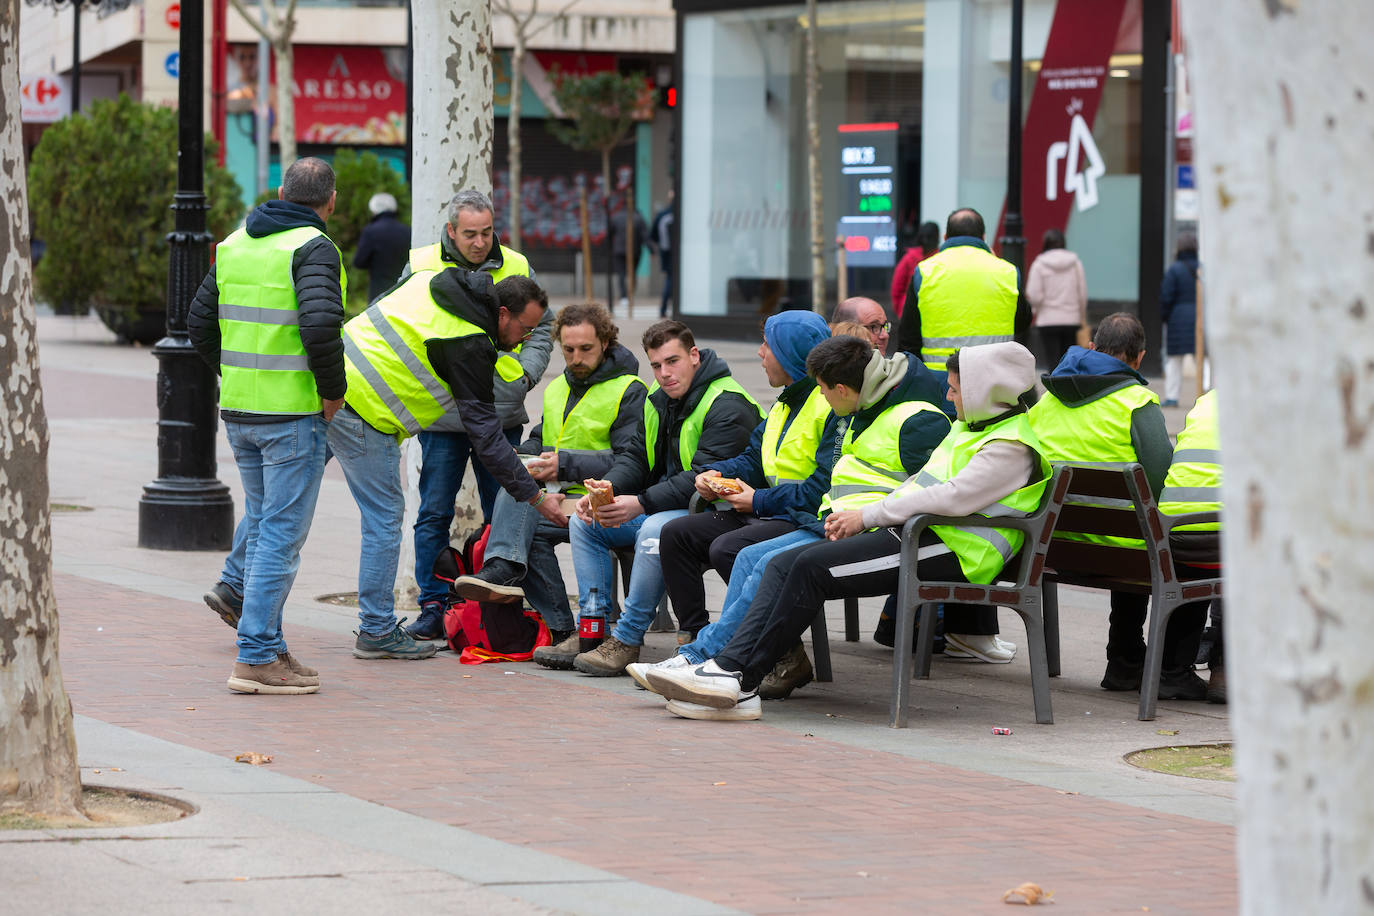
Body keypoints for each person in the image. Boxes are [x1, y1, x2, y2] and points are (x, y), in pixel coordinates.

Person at [645, 342, 1050, 721]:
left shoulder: (1010, 446)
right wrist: (867, 514)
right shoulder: (973, 429)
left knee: (809, 569)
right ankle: (726, 668)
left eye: (956, 388)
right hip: (921, 537)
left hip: (954, 552)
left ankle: (738, 680)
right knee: (788, 563)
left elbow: (951, 499)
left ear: (984, 390)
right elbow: (922, 486)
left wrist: (867, 515)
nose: (948, 396)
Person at [630, 334, 952, 698]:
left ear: (842, 389)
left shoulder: (912, 419)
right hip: (830, 522)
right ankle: (704, 659)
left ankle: (725, 671)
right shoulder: (855, 407)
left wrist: (860, 515)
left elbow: (932, 492)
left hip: (871, 531)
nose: (823, 399)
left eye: (825, 391)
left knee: (771, 562)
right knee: (750, 555)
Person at [334, 272, 563, 660]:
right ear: (502, 314)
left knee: (284, 508)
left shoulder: (431, 280)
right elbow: (487, 438)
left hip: (328, 386)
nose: (526, 339)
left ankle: (238, 586)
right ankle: (376, 630)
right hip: (361, 411)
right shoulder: (468, 341)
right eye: (525, 329)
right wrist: (537, 498)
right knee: (386, 519)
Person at [188, 157, 346, 695]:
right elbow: (322, 324)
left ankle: (271, 647)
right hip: (291, 414)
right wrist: (332, 392)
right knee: (280, 535)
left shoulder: (236, 243)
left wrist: (233, 375)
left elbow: (197, 323)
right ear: (330, 201)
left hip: (241, 411)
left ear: (281, 191)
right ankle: (255, 655)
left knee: (262, 526)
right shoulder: (313, 248)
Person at [560, 320, 763, 675]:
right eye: (656, 365)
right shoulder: (658, 398)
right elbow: (635, 457)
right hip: (669, 506)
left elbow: (700, 477)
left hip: (719, 513)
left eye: (673, 361)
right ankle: (593, 631)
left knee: (653, 528)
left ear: (694, 355)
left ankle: (626, 639)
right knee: (585, 522)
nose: (665, 373)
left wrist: (639, 503)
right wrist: (602, 492)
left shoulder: (727, 402)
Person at [1027, 312, 1204, 700]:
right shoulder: (1137, 402)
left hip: (1050, 543)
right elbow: (1161, 485)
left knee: (1131, 532)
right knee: (1186, 550)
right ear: (1140, 358)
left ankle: (1125, 663)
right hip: (1121, 553)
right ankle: (1171, 670)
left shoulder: (1048, 398)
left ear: (1092, 347)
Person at [651, 311, 838, 678]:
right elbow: (754, 457)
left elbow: (821, 489)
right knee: (677, 535)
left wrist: (758, 501)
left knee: (729, 547)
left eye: (768, 345)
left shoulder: (827, 405)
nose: (759, 353)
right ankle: (695, 637)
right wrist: (718, 475)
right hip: (769, 511)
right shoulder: (785, 402)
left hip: (800, 517)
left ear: (790, 354)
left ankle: (751, 651)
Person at [449, 303, 648, 644]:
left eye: (586, 349)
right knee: (521, 495)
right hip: (561, 501)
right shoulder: (559, 388)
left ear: (606, 342)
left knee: (521, 510)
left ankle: (504, 568)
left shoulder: (630, 390)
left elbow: (631, 460)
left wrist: (562, 463)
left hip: (605, 504)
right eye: (568, 350)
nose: (576, 358)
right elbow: (545, 437)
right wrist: (524, 455)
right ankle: (561, 628)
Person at [405, 189, 554, 640]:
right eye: (470, 234)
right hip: (443, 415)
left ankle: (503, 604)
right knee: (433, 512)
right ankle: (434, 606)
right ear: (451, 231)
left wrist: (526, 374)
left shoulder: (516, 264)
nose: (480, 242)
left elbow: (543, 324)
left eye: (487, 232)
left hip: (502, 410)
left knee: (502, 512)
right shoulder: (422, 264)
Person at [894, 207, 1030, 371]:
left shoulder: (925, 271)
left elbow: (908, 337)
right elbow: (1023, 322)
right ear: (984, 238)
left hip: (940, 380)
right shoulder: (1006, 271)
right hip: (994, 377)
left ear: (945, 238)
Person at [1159, 389, 1225, 703]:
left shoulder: (1205, 401)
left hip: (1175, 534)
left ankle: (1172, 671)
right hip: (1221, 541)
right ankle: (1227, 668)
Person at [1025, 227, 1087, 368]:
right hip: (1071, 319)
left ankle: (1054, 389)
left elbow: (1034, 295)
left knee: (1052, 362)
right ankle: (1068, 388)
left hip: (1047, 320)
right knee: (1069, 362)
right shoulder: (1075, 264)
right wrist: (1080, 314)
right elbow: (1082, 293)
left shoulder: (1039, 265)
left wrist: (1038, 308)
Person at [1160, 232, 1201, 407]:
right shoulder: (1202, 268)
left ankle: (1172, 397)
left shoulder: (1174, 269)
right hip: (1200, 318)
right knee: (1201, 358)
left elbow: (1166, 297)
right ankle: (1206, 394)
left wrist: (1165, 317)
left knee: (1174, 361)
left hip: (1177, 319)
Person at [353, 191, 411, 303]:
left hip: (378, 291)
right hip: (402, 290)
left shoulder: (371, 231)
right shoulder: (407, 231)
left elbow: (359, 262)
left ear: (374, 210)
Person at [890, 220, 940, 317]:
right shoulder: (942, 258)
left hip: (911, 312)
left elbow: (897, 288)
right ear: (938, 237)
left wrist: (901, 309)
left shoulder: (909, 258)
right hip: (932, 314)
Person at [610, 206, 650, 312]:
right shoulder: (638, 218)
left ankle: (624, 296)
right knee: (632, 274)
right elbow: (645, 236)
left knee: (621, 274)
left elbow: (609, 233)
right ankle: (629, 295)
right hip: (634, 251)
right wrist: (652, 249)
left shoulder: (616, 217)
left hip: (619, 250)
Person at [649, 191, 675, 317]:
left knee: (669, 279)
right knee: (672, 280)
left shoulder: (662, 215)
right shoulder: (685, 212)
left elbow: (653, 235)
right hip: (674, 252)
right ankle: (666, 308)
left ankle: (664, 309)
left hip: (666, 252)